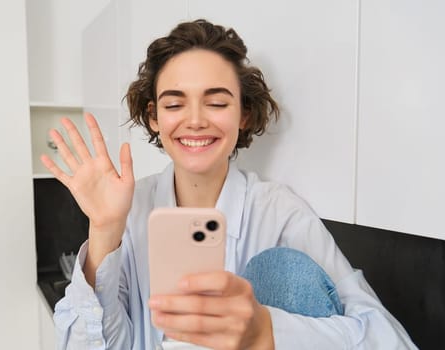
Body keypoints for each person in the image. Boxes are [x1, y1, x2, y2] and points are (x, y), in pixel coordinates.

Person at [42, 19, 416, 349]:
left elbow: (390, 340)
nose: (195, 120)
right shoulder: (133, 207)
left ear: (244, 114)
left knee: (283, 271)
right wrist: (106, 231)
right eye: (174, 105)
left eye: (216, 103)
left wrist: (264, 333)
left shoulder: (278, 212)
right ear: (154, 118)